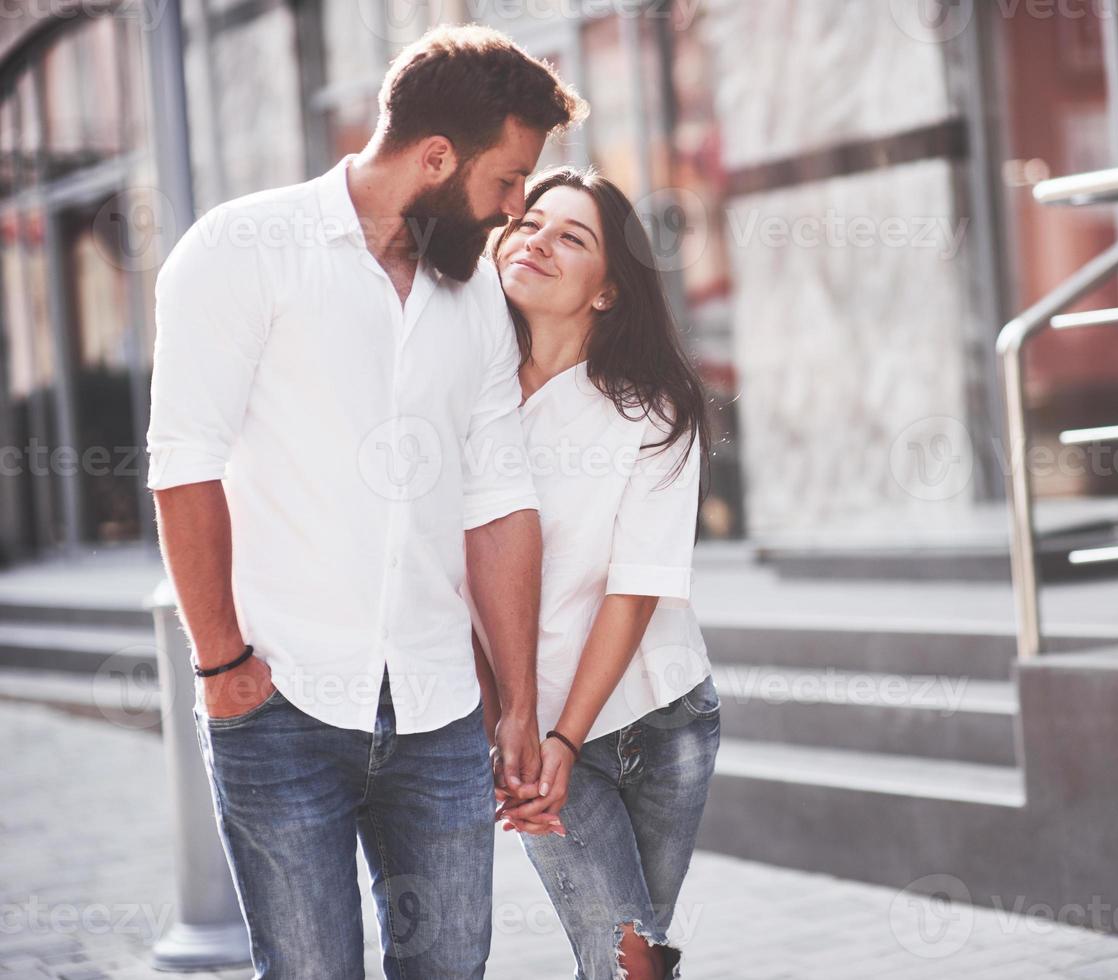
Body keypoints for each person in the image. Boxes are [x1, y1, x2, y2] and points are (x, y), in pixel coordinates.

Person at [145, 26, 585, 979]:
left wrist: (513, 702)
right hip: (280, 702)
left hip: (438, 713)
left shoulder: (470, 301)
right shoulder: (240, 248)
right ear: (435, 158)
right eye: (507, 182)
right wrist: (221, 663)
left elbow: (501, 501)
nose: (516, 211)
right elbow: (185, 464)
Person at [472, 167, 720, 980]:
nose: (537, 242)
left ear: (609, 291)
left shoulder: (654, 409)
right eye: (529, 223)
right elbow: (454, 584)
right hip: (534, 734)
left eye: (570, 237)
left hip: (659, 716)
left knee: (626, 955)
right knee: (628, 959)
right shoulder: (460, 398)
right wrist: (511, 728)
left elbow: (636, 589)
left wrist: (565, 736)